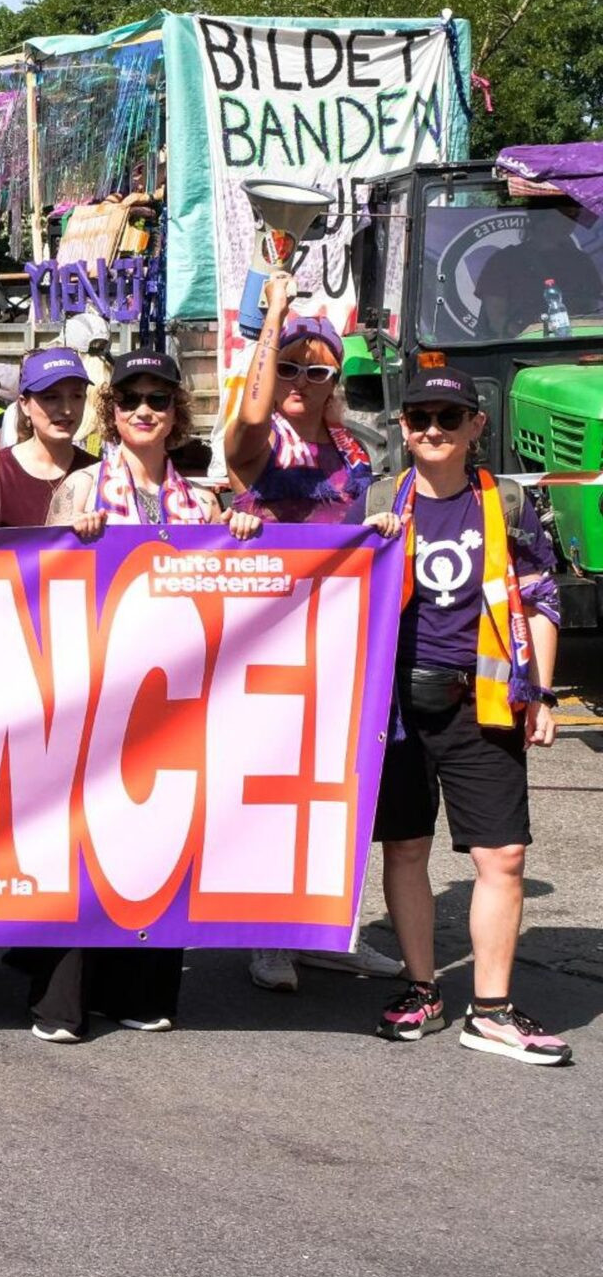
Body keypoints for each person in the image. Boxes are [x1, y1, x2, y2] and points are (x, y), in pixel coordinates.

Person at [21, 351, 267, 1040]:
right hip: (95, 691)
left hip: (171, 701)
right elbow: (38, 580)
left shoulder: (203, 502)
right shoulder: (81, 487)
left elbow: (229, 591)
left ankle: (137, 986)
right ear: (113, 411)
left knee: (159, 837)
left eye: (159, 400)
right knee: (82, 838)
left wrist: (241, 534)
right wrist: (71, 538)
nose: (144, 411)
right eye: (130, 399)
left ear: (176, 413)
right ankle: (61, 1000)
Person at [367, 368, 570, 1064]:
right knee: (406, 847)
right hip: (396, 706)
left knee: (502, 854)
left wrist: (541, 694)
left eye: (449, 417)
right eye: (420, 417)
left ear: (476, 426)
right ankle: (423, 988)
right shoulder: (376, 500)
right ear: (402, 427)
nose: (433, 429)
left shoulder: (506, 502)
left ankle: (491, 1011)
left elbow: (541, 597)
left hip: (482, 702)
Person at [222, 280, 401, 992]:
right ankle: (267, 933)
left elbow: (363, 526)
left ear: (335, 382)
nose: (299, 380)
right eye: (288, 367)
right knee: (271, 782)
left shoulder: (355, 448)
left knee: (338, 786)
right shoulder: (261, 437)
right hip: (266, 639)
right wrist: (273, 317)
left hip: (339, 640)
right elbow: (251, 414)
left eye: (315, 370)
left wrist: (380, 528)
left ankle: (331, 928)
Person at [0, 347, 95, 527]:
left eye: (76, 396)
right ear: (24, 404)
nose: (67, 409)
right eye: (51, 397)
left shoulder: (99, 473)